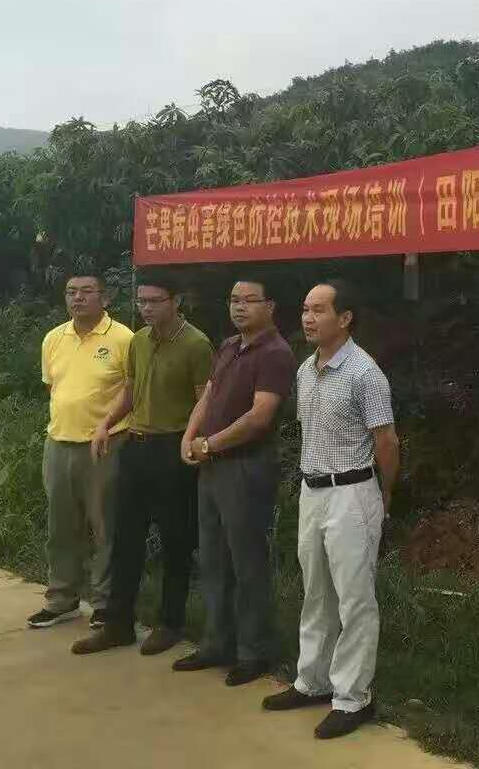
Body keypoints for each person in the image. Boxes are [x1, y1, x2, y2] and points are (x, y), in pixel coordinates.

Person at [262, 279, 399, 740]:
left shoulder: (365, 373)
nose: (308, 318)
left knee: (355, 598)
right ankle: (313, 681)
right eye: (305, 309)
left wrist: (385, 495)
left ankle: (353, 697)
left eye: (319, 310)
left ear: (345, 318)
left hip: (353, 493)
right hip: (313, 491)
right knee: (316, 591)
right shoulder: (306, 369)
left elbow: (386, 441)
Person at [71, 271, 214, 657]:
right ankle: (118, 623)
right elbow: (130, 391)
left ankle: (170, 622)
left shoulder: (196, 344)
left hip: (172, 448)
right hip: (135, 445)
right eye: (141, 301)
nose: (146, 308)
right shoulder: (138, 341)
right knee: (125, 539)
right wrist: (105, 424)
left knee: (175, 540)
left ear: (175, 301)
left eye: (154, 301)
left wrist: (191, 440)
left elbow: (205, 401)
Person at [171, 277, 295, 687]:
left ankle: (253, 651)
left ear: (270, 306)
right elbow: (207, 397)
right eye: (234, 300)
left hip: (245, 467)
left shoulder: (275, 353)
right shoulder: (227, 346)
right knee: (212, 560)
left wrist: (210, 444)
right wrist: (190, 437)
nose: (239, 307)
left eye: (249, 300)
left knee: (246, 562)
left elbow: (259, 417)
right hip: (211, 467)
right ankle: (215, 643)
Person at [28, 273, 133, 630]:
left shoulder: (123, 338)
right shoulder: (54, 338)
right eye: (71, 292)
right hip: (59, 443)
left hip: (106, 445)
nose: (78, 298)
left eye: (87, 292)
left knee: (105, 526)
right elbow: (53, 388)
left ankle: (105, 602)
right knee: (61, 526)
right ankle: (62, 599)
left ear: (105, 298)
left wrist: (105, 425)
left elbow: (131, 390)